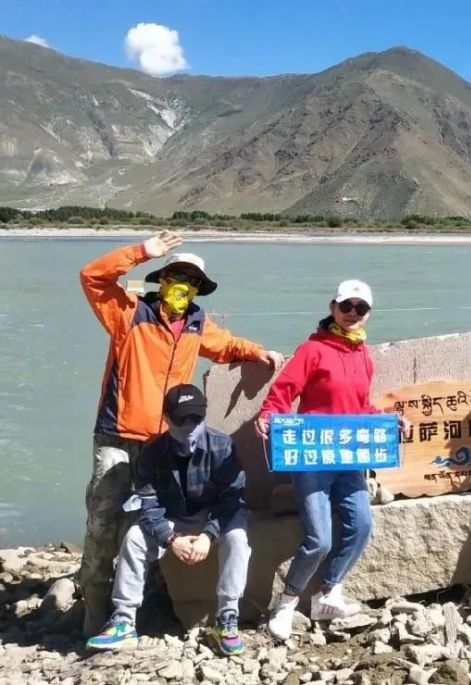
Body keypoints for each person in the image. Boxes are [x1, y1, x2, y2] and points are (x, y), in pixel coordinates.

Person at [79, 231, 283, 636]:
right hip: (119, 437)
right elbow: (92, 277)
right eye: (175, 276)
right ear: (162, 278)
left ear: (196, 290)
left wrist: (257, 351)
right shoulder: (128, 312)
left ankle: (147, 595)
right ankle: (95, 603)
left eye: (190, 281)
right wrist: (141, 252)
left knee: (145, 519)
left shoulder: (195, 323)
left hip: (168, 443)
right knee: (103, 521)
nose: (181, 286)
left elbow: (224, 345)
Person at [257, 279, 406, 640]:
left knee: (362, 524)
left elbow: (359, 407)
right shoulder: (312, 349)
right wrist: (267, 415)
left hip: (350, 459)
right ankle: (287, 602)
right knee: (318, 539)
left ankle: (328, 592)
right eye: (346, 306)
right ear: (332, 308)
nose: (353, 314)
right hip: (312, 457)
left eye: (361, 308)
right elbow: (283, 392)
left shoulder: (363, 354)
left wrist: (388, 420)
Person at [86, 384, 251, 656]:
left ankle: (227, 619)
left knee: (238, 538)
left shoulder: (223, 446)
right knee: (134, 539)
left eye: (195, 418)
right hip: (173, 520)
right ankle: (124, 621)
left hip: (213, 518)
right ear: (167, 419)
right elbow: (148, 505)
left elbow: (233, 498)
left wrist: (209, 535)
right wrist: (170, 539)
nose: (189, 426)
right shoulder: (152, 454)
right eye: (181, 419)